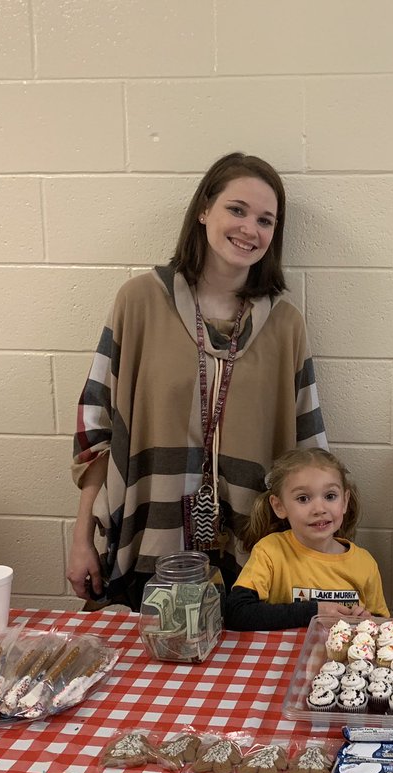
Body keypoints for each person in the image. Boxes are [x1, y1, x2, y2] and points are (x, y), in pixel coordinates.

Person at [68, 152, 328, 610]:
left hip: (253, 553)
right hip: (147, 540)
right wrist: (82, 537)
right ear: (204, 209)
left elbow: (310, 451)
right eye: (237, 209)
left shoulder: (286, 325)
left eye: (266, 220)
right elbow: (97, 427)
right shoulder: (140, 302)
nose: (251, 229)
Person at [224, 448, 389, 630]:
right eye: (303, 498)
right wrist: (314, 611)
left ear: (344, 501)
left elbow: (381, 625)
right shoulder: (269, 552)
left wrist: (367, 619)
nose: (319, 509)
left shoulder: (364, 563)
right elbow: (236, 613)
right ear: (279, 506)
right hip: (283, 656)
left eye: (330, 496)